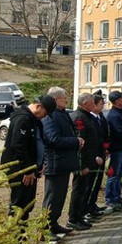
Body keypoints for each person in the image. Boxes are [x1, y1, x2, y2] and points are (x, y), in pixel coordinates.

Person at [1, 95, 56, 233]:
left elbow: (38, 143)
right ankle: (16, 240)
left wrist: (40, 163)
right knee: (19, 206)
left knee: (27, 205)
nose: (45, 117)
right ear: (38, 107)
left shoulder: (34, 120)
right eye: (45, 113)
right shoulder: (23, 119)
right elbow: (18, 146)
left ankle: (21, 238)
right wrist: (27, 169)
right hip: (20, 170)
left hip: (31, 169)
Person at [41, 87, 83, 235]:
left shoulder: (61, 114)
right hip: (55, 162)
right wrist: (75, 141)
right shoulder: (50, 116)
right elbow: (53, 139)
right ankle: (45, 228)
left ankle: (53, 223)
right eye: (64, 98)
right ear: (55, 99)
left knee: (60, 197)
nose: (66, 100)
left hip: (63, 163)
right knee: (52, 197)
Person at [67, 93, 101, 231]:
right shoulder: (78, 117)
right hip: (83, 163)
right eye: (92, 102)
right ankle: (73, 218)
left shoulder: (87, 116)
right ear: (85, 104)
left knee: (84, 190)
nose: (94, 105)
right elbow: (80, 145)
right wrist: (83, 165)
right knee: (78, 190)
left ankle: (80, 215)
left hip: (90, 160)